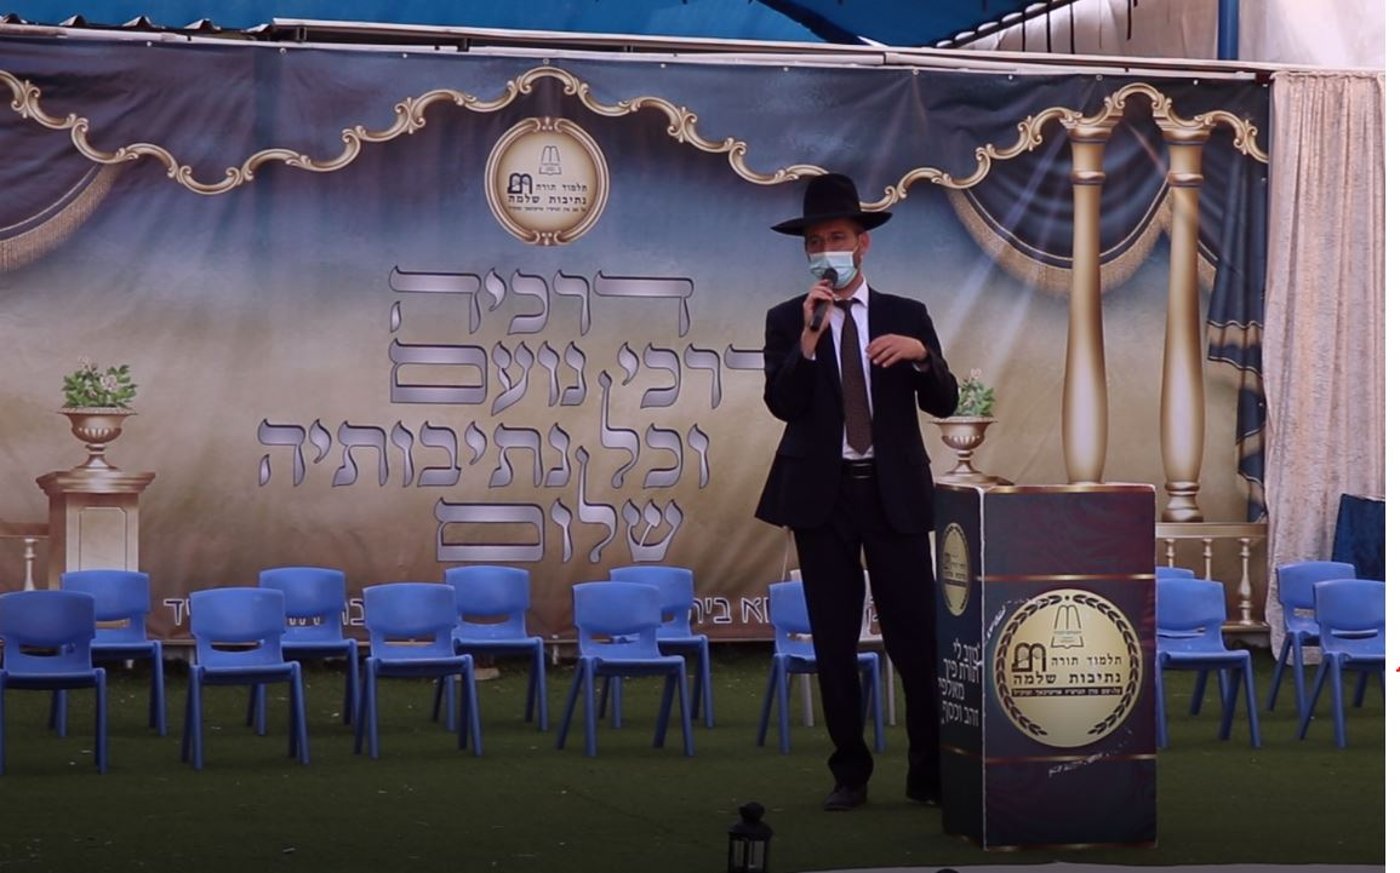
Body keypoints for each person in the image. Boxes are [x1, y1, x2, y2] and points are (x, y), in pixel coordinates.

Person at [755, 173, 959, 812]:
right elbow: (782, 403)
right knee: (834, 639)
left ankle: (928, 773)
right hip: (823, 497)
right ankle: (850, 772)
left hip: (892, 494)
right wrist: (810, 341)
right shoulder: (788, 319)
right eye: (815, 242)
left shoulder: (905, 314)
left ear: (862, 243)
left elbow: (945, 401)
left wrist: (922, 356)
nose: (827, 251)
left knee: (915, 638)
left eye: (837, 238)